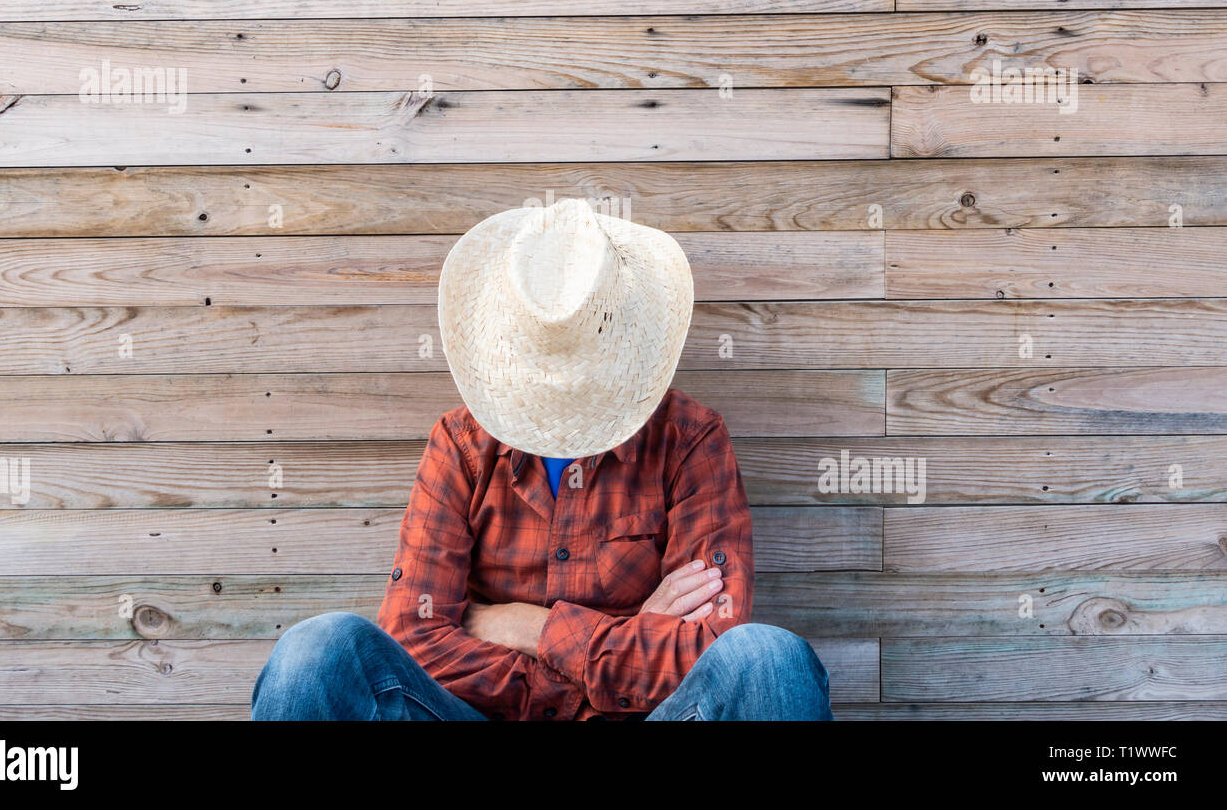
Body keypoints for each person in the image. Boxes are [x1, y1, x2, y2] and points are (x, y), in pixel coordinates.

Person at [252, 197, 832, 721]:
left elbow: (710, 641)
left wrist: (527, 626)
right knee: (319, 651)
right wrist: (621, 641)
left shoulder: (689, 438)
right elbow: (415, 637)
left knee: (768, 658)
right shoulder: (460, 444)